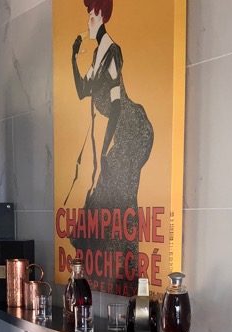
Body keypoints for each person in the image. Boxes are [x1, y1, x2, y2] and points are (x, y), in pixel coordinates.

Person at [68, 0, 154, 283]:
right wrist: (72, 58)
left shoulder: (112, 51)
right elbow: (82, 91)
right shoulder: (97, 55)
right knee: (105, 200)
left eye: (92, 16)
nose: (88, 21)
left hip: (134, 129)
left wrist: (104, 151)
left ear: (102, 16)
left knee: (119, 199)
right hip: (120, 134)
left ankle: (129, 277)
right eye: (88, 16)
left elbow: (116, 107)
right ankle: (111, 277)